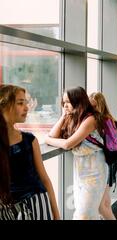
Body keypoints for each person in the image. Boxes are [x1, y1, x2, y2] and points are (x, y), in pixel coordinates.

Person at [46, 86, 106, 220]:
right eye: (63, 102)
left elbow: (67, 144)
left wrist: (48, 140)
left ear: (78, 101)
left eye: (68, 102)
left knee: (83, 215)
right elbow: (53, 135)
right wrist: (63, 116)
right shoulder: (73, 118)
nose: (65, 105)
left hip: (95, 172)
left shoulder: (91, 119)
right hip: (80, 172)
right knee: (88, 213)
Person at [0, 85, 59, 220]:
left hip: (37, 206)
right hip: (6, 210)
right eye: (20, 103)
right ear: (4, 105)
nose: (26, 108)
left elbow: (45, 179)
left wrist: (56, 214)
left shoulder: (29, 140)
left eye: (25, 103)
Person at [88, 92, 117, 220]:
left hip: (104, 164)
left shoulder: (101, 121)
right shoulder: (110, 119)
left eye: (93, 106)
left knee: (102, 207)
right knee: (105, 204)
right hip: (110, 162)